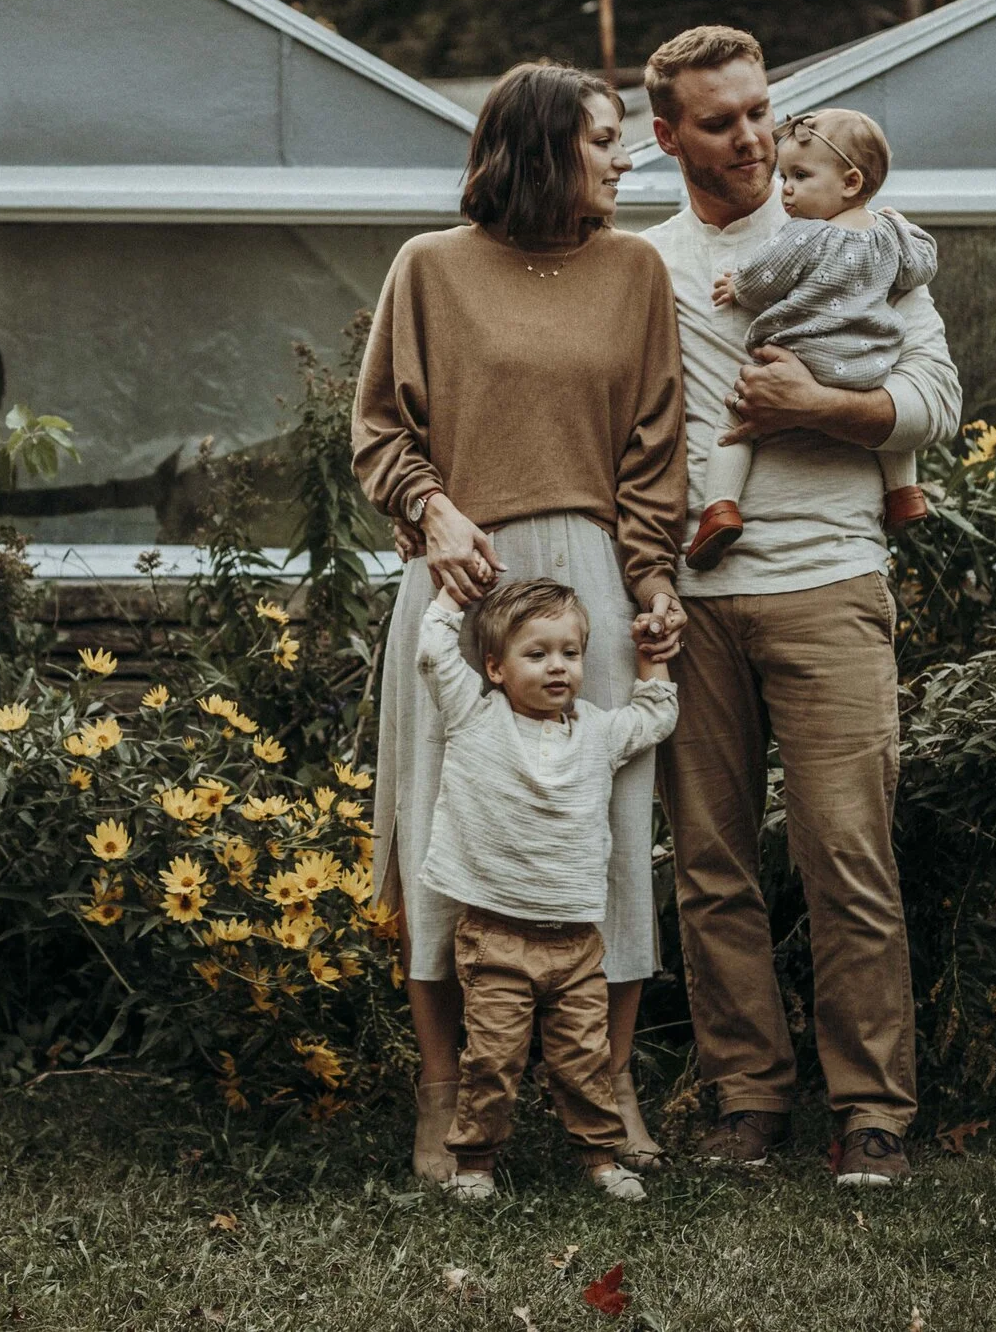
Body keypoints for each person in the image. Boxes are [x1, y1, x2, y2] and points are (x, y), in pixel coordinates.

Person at [353, 61, 690, 1186]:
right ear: (542, 148)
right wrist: (432, 505)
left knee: (607, 826)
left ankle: (611, 1087)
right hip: (459, 582)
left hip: (590, 577)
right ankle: (444, 1095)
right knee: (445, 822)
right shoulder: (429, 270)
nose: (625, 156)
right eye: (604, 138)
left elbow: (652, 446)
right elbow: (377, 432)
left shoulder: (635, 270)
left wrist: (648, 578)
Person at [637, 26, 962, 1189]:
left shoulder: (851, 232)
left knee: (845, 853)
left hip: (829, 584)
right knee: (711, 864)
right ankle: (745, 1095)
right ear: (665, 136)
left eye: (762, 111)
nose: (754, 139)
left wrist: (822, 403)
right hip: (692, 599)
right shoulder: (644, 265)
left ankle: (872, 1108)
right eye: (719, 121)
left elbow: (934, 397)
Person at [413, 577, 679, 1203]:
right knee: (493, 1063)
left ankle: (601, 1158)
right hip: (495, 935)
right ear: (495, 668)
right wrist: (451, 595)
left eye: (570, 653)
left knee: (586, 1061)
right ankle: (475, 1164)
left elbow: (656, 715)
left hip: (577, 943)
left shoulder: (598, 732)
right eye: (536, 655)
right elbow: (431, 654)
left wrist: (651, 655)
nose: (557, 667)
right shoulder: (474, 715)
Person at [690, 106, 939, 569]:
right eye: (785, 175)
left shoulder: (806, 235)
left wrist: (737, 285)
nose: (784, 189)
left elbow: (766, 277)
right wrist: (902, 224)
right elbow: (923, 266)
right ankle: (904, 493)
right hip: (870, 366)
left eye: (799, 176)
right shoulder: (889, 235)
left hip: (806, 357)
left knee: (737, 422)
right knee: (886, 434)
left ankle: (720, 507)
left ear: (849, 182)